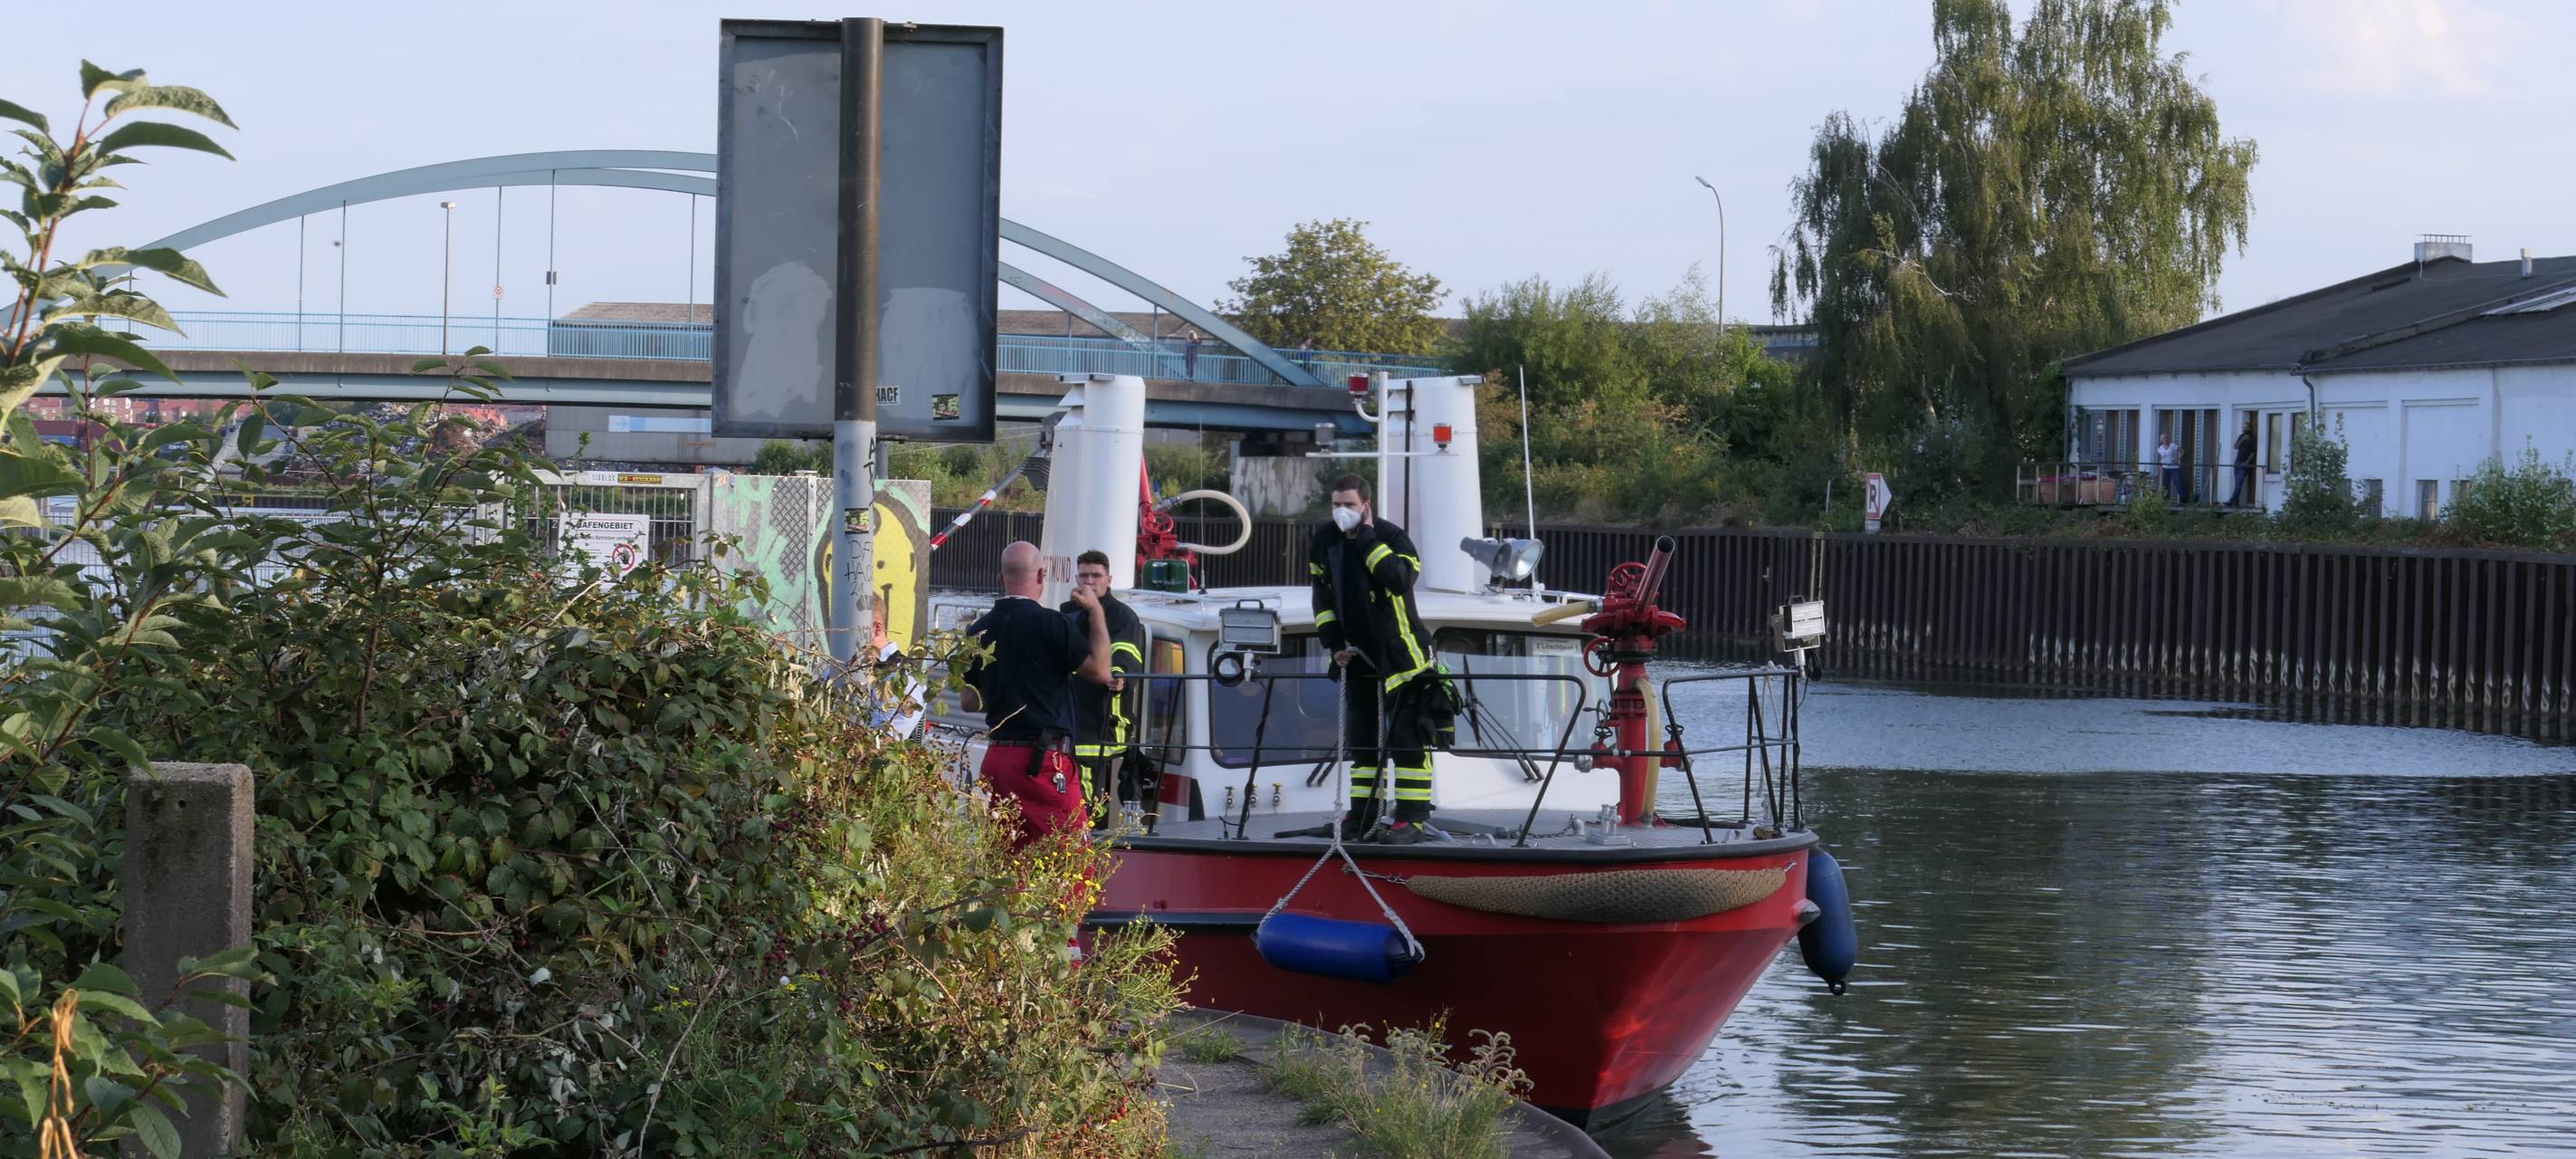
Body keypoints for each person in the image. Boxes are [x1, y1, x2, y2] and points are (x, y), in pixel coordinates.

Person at [1308, 474, 1454, 844]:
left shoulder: (1393, 537)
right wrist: (1333, 644)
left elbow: (1399, 580)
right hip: (1356, 657)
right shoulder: (1324, 539)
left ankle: (1411, 820)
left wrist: (1367, 538)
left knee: (1407, 738)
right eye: (1336, 505)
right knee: (1362, 743)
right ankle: (1362, 817)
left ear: (1366, 506)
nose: (1341, 512)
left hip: (1402, 657)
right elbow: (1322, 597)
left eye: (1349, 505)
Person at [962, 541, 1113, 849]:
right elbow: (1100, 671)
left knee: (1008, 857)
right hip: (1042, 762)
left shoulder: (977, 630)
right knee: (1072, 859)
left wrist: (1009, 689)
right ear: (1041, 575)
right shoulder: (1052, 623)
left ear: (1001, 578)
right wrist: (1096, 611)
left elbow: (968, 701)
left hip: (998, 759)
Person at [1061, 549, 1147, 828]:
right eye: (1084, 575)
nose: (1090, 581)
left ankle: (1089, 834)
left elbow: (1127, 653)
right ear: (1076, 578)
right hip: (1071, 716)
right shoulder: (1067, 613)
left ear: (1108, 579)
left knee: (1091, 800)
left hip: (1105, 719)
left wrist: (1119, 677)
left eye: (1096, 576)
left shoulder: (1123, 616)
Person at [2228, 418, 2257, 507]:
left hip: (2245, 463)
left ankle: (2231, 501)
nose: (2245, 429)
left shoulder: (2253, 438)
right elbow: (2235, 447)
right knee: (2237, 483)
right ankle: (2236, 501)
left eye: (2247, 427)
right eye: (2244, 427)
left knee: (2238, 483)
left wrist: (2247, 462)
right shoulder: (2241, 436)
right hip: (2237, 462)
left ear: (2250, 428)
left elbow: (2253, 452)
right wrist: (2243, 439)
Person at [2155, 434, 2181, 498]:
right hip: (2165, 468)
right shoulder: (2160, 448)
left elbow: (2182, 451)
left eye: (2167, 438)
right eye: (2164, 438)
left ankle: (2183, 499)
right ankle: (2165, 499)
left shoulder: (2173, 446)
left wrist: (2177, 459)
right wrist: (2160, 467)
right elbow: (2161, 458)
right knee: (2165, 485)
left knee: (2178, 482)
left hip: (2174, 468)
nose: (2166, 439)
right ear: (2162, 440)